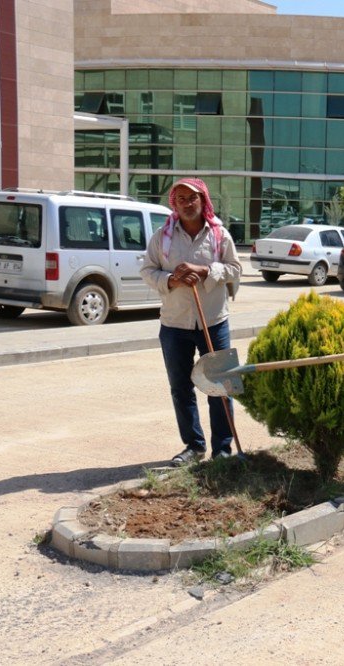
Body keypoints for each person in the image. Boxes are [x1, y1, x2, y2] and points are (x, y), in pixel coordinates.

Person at [141, 178, 242, 466]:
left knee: (220, 386)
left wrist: (205, 270)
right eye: (181, 198)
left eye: (192, 198)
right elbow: (148, 270)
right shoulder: (162, 236)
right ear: (175, 203)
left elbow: (236, 269)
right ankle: (193, 447)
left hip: (214, 321)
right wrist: (171, 279)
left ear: (203, 201)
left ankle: (222, 449)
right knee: (181, 388)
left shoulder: (219, 234)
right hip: (174, 325)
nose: (187, 203)